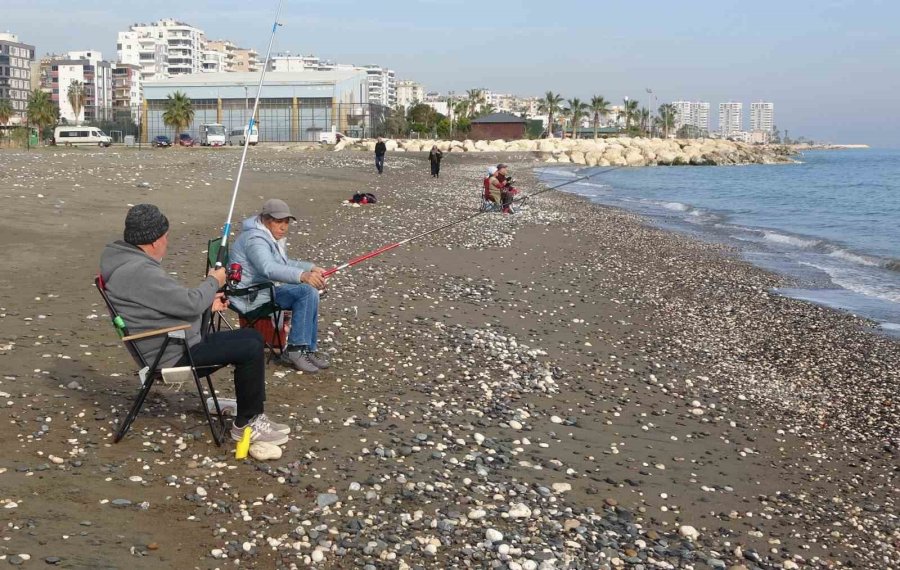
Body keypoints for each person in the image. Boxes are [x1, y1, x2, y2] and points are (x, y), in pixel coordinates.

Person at [99, 204, 289, 445]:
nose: (167, 242)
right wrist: (213, 281)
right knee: (250, 348)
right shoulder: (139, 272)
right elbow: (189, 304)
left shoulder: (126, 263)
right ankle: (246, 424)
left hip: (175, 340)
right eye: (166, 236)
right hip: (172, 354)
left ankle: (253, 413)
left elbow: (165, 306)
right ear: (155, 241)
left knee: (252, 337)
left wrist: (207, 305)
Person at [229, 199, 330, 374]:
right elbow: (268, 268)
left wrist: (310, 268)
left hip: (261, 290)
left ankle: (306, 349)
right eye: (278, 221)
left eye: (286, 222)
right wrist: (302, 276)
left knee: (310, 291)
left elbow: (282, 263)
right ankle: (296, 350)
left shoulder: (267, 235)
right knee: (306, 292)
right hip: (248, 297)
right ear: (265, 219)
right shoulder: (255, 240)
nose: (283, 227)